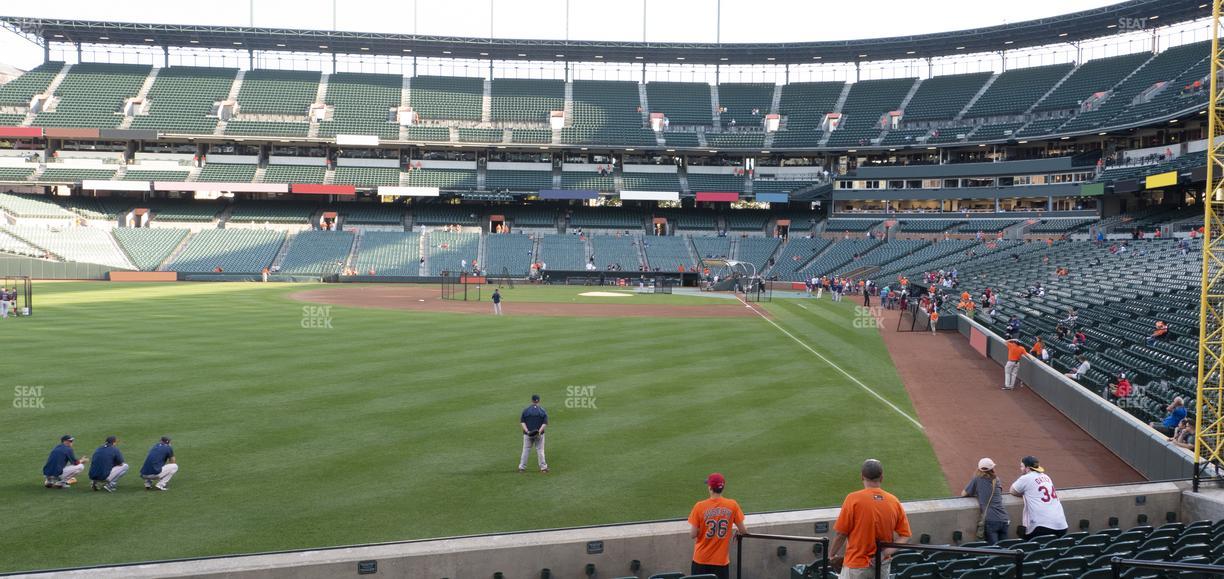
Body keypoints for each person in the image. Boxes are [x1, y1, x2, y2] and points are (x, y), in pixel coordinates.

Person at [829, 459, 911, 578]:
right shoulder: (894, 501)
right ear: (881, 478)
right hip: (881, 567)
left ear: (862, 477)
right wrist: (883, 554)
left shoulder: (853, 499)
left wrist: (832, 555)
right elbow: (905, 536)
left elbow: (841, 533)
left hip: (856, 567)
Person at [687, 473, 748, 579]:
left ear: (710, 488)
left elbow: (692, 534)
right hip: (721, 562)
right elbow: (743, 530)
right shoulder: (732, 505)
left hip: (701, 560)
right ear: (723, 488)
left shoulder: (699, 506)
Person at [1009, 456, 1067, 539]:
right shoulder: (1047, 477)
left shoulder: (1026, 478)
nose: (1020, 468)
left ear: (1027, 468)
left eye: (1022, 466)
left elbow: (1012, 491)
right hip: (1062, 526)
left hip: (1043, 528)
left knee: (1023, 536)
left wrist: (1025, 494)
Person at [962, 458, 1009, 545]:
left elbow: (964, 494)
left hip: (991, 521)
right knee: (1005, 549)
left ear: (979, 468)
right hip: (1004, 519)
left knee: (994, 550)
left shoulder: (977, 479)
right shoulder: (997, 479)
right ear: (992, 468)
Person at [519, 394, 549, 473]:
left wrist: (527, 431)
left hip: (527, 435)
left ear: (532, 400)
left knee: (526, 450)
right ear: (539, 401)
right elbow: (545, 423)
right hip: (539, 435)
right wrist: (539, 431)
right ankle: (543, 468)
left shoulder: (526, 410)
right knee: (540, 450)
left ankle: (522, 468)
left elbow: (522, 422)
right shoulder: (542, 411)